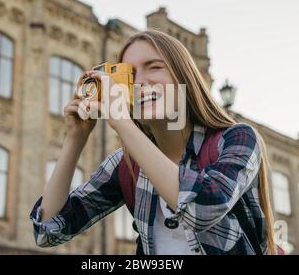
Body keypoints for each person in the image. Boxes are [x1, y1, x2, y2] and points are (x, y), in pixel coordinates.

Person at [29, 29, 276, 255]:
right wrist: (76, 137)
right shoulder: (126, 164)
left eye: (154, 67)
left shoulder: (237, 138)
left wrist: (122, 122)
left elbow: (202, 208)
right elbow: (49, 232)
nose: (140, 83)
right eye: (130, 75)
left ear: (184, 78)